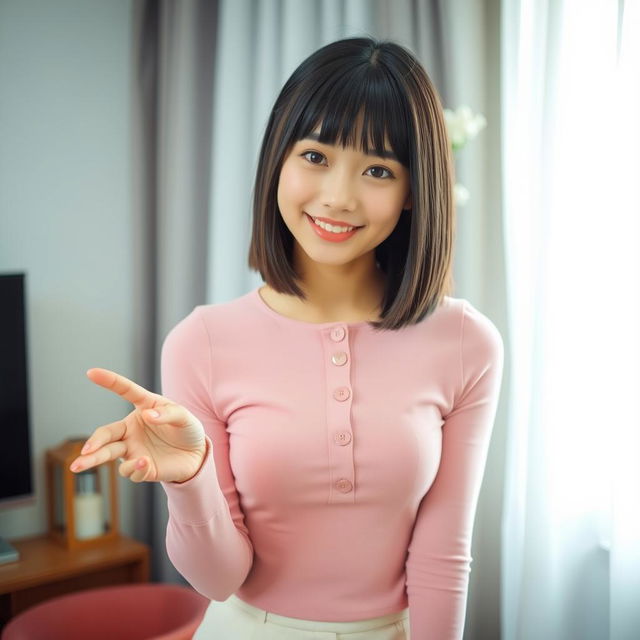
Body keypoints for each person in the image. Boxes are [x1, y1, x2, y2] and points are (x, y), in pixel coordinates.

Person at [70, 37, 504, 640]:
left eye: (378, 169)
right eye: (316, 156)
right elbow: (219, 578)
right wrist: (190, 477)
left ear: (413, 193)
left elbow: (443, 555)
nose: (339, 196)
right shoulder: (202, 342)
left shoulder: (465, 343)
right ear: (278, 159)